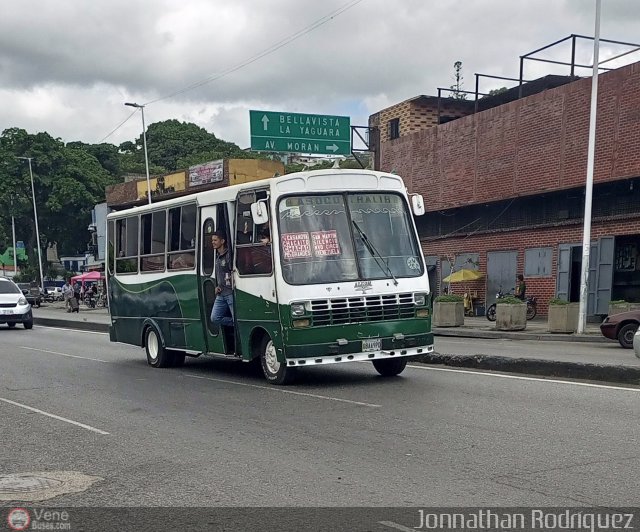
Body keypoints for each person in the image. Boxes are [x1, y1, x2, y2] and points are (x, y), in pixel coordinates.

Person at [210, 231, 234, 328]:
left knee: (237, 317)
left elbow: (234, 270)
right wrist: (217, 286)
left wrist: (232, 277)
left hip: (230, 293)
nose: (213, 242)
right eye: (212, 240)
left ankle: (236, 323)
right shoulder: (217, 257)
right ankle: (234, 323)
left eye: (215, 240)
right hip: (220, 294)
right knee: (214, 318)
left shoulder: (229, 255)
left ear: (222, 241)